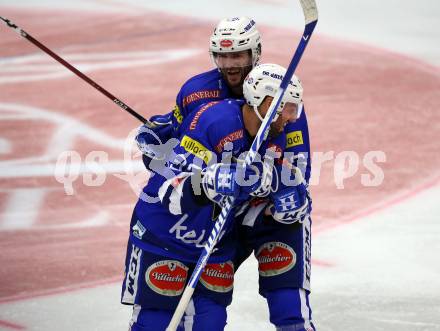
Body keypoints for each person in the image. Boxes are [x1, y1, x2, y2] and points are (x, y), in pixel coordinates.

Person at [135, 17, 315, 330]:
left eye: (239, 55)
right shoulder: (197, 96)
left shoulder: (282, 106)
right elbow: (174, 165)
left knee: (287, 306)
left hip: (257, 211)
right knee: (181, 314)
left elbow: (297, 173)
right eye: (223, 56)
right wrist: (160, 147)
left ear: (255, 53)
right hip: (207, 218)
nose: (230, 64)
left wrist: (287, 193)